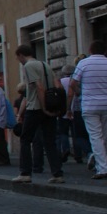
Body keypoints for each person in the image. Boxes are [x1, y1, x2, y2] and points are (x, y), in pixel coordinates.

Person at [13, 45, 65, 184]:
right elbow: (57, 85)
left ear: (21, 55)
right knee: (50, 141)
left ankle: (25, 173)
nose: (18, 60)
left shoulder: (28, 66)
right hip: (49, 106)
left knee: (25, 139)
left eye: (17, 57)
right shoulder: (45, 64)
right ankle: (57, 173)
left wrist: (44, 107)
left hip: (35, 107)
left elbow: (39, 87)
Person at [70, 40, 107, 180]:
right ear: (105, 51)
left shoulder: (83, 63)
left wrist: (80, 93)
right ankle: (103, 163)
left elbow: (73, 83)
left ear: (90, 50)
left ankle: (103, 167)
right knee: (106, 136)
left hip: (90, 104)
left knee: (95, 136)